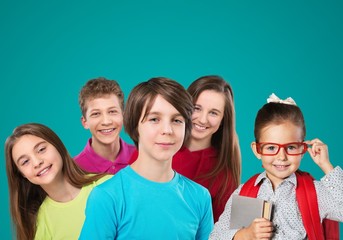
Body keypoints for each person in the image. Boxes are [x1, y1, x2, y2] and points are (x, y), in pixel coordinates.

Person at [79, 77, 214, 239]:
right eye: (154, 119)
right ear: (135, 125)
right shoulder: (107, 196)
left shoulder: (200, 197)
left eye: (177, 120)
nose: (167, 130)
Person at [209, 93, 343, 239]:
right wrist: (246, 234)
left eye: (291, 147)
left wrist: (326, 165)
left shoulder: (314, 192)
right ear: (257, 150)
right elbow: (216, 236)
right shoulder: (244, 193)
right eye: (271, 148)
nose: (281, 157)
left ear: (302, 149)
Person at [5, 123, 111, 240]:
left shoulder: (108, 186)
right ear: (22, 174)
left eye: (41, 149)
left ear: (57, 146)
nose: (37, 162)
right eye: (25, 162)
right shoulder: (41, 225)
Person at [172, 75, 242, 222]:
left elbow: (221, 232)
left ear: (223, 119)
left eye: (213, 113)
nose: (203, 119)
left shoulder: (224, 173)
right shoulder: (157, 147)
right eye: (196, 108)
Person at [74, 77, 135, 174]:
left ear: (123, 116)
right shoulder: (74, 169)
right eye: (96, 114)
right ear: (85, 122)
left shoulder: (142, 157)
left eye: (112, 111)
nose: (106, 122)